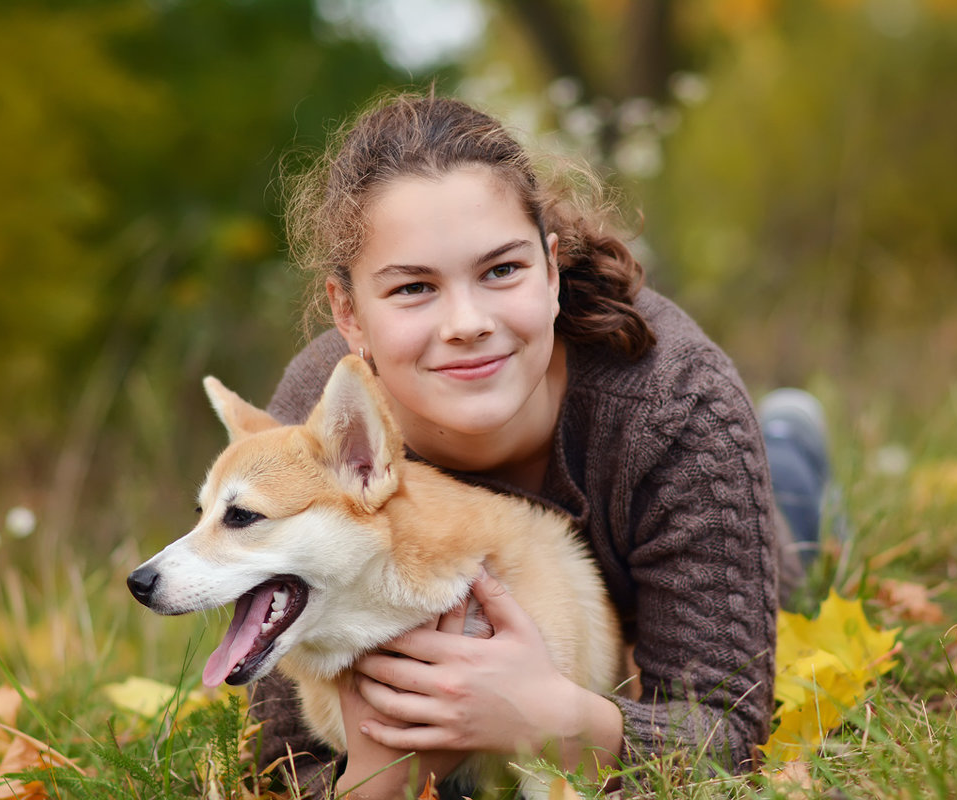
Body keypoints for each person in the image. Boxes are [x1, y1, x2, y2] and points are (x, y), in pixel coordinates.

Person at [246, 91, 825, 798]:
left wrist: (551, 719)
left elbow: (727, 738)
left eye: (501, 271)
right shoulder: (311, 440)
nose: (466, 323)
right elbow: (280, 763)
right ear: (349, 314)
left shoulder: (678, 407)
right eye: (413, 288)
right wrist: (381, 774)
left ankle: (787, 455)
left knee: (787, 551)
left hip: (673, 556)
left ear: (551, 270)